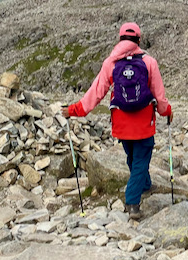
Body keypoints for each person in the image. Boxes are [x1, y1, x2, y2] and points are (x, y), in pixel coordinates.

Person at [64, 22, 172, 220]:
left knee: (133, 158)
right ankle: (132, 202)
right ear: (139, 40)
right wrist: (167, 112)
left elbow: (95, 94)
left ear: (120, 39)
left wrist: (74, 110)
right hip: (143, 124)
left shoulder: (111, 63)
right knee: (140, 160)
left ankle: (145, 185)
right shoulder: (149, 62)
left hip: (121, 124)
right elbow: (160, 96)